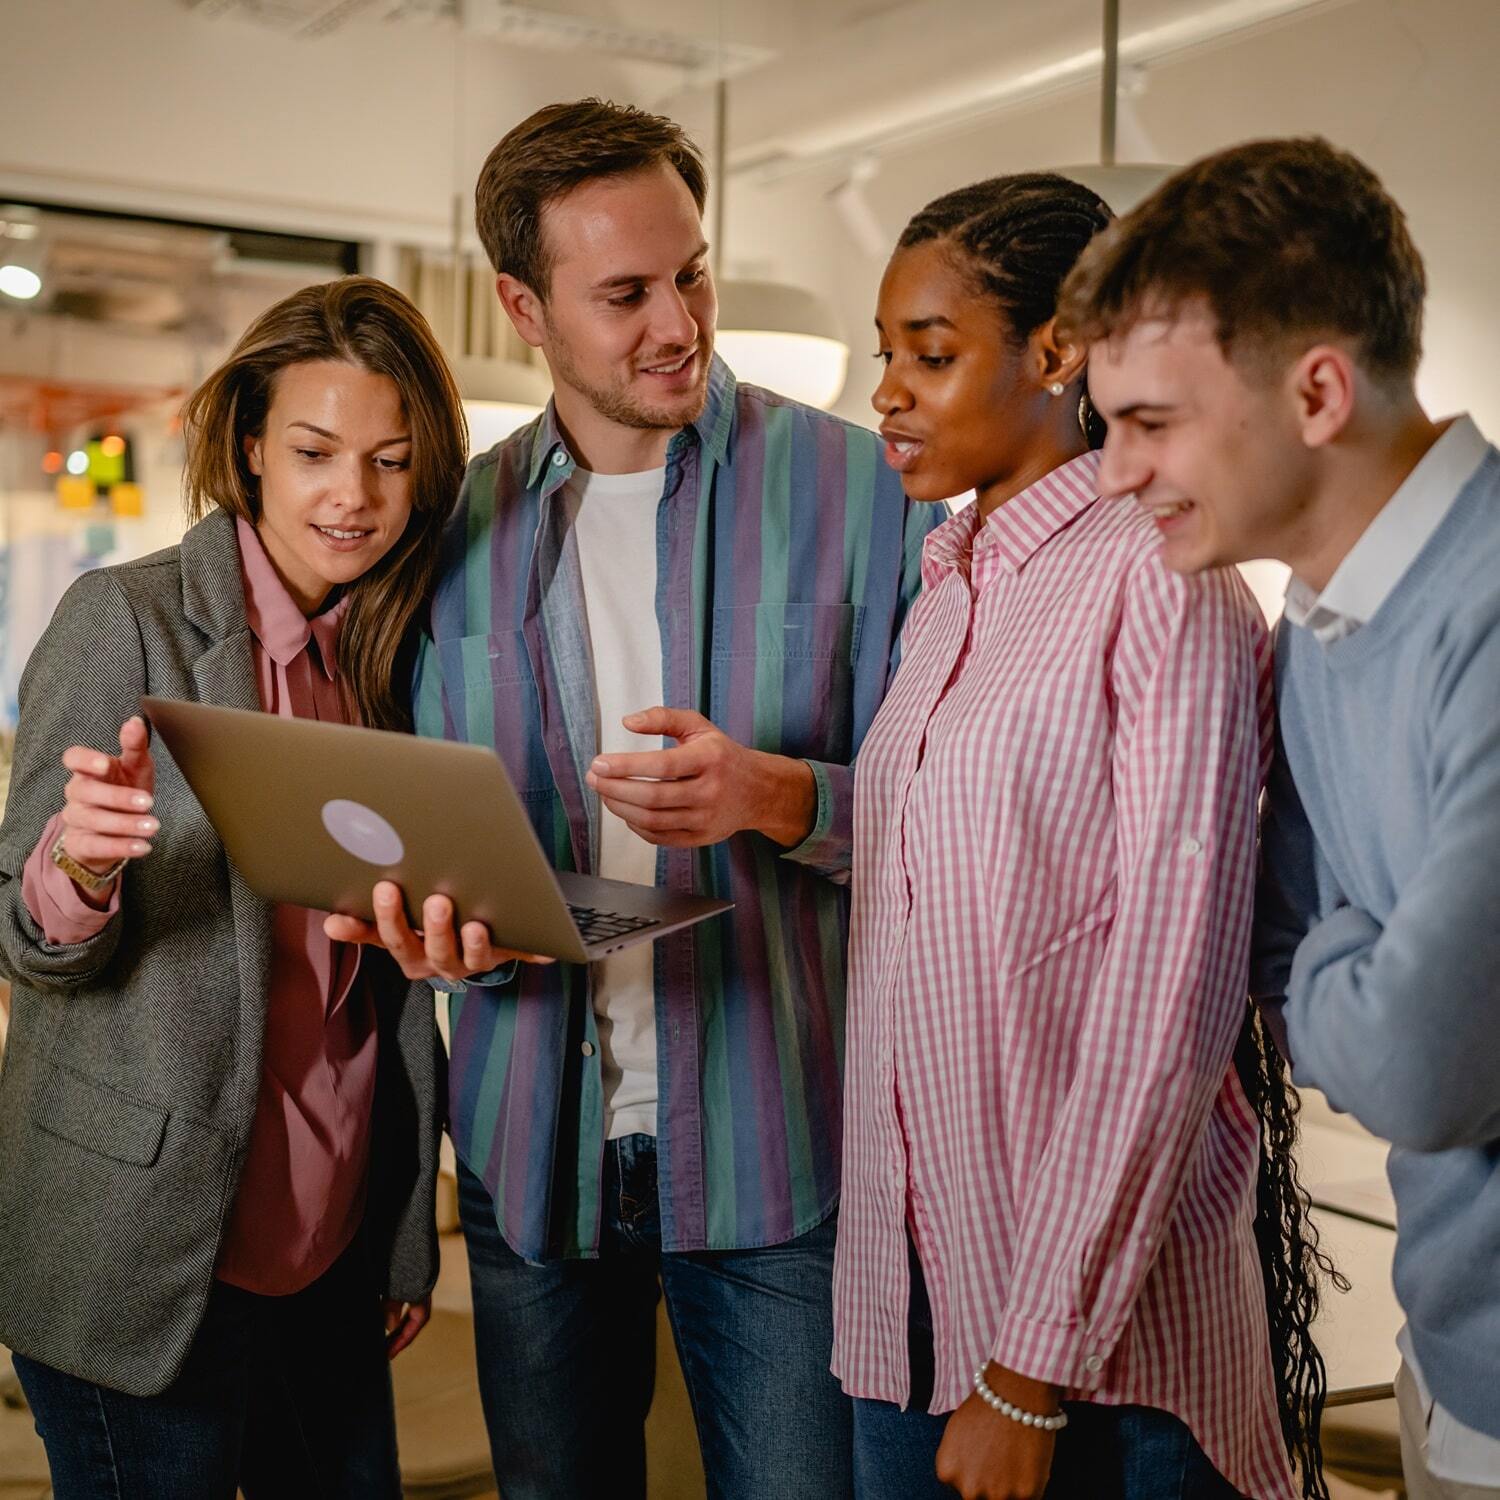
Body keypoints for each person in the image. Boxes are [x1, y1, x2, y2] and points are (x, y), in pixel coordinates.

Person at [330, 97, 940, 1500]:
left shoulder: (868, 493)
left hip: (785, 1153)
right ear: (522, 307)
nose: (679, 323)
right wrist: (425, 928)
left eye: (694, 274)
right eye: (624, 295)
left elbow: (965, 824)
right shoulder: (440, 534)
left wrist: (786, 797)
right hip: (530, 1155)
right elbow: (402, 826)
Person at [834, 173, 1334, 1500]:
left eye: (929, 355)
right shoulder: (945, 594)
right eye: (885, 354)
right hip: (907, 1303)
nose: (887, 391)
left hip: (1089, 1363)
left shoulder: (1164, 578)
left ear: (1057, 353)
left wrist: (1029, 1370)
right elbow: (951, 885)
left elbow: (1173, 999)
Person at [1062, 136, 1500, 1500]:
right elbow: (1279, 946)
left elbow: (1423, 1073)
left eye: (1151, 423)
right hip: (1455, 1350)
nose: (1114, 473)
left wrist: (1360, 967)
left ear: (1317, 391)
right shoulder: (1319, 614)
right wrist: (1369, 959)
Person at [0, 277, 465, 1499]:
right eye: (314, 452)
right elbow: (24, 936)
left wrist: (399, 1240)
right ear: (251, 445)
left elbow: (380, 1001)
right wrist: (81, 864)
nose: (352, 496)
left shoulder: (396, 654)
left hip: (333, 1247)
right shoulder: (127, 619)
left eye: (390, 462)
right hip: (144, 1249)